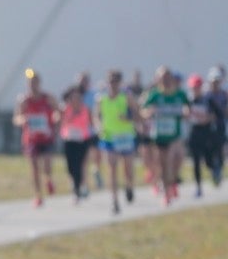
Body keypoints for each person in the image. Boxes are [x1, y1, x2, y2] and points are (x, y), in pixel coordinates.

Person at [13, 69, 60, 207]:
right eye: (30, 82)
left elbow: (58, 112)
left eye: (34, 82)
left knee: (46, 165)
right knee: (34, 168)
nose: (32, 84)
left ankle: (48, 179)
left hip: (46, 137)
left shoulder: (48, 98)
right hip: (31, 139)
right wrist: (23, 120)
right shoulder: (24, 100)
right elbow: (16, 118)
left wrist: (56, 121)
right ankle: (38, 195)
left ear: (39, 82)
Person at [96, 69, 140, 215]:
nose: (113, 84)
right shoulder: (101, 99)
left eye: (115, 81)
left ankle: (129, 186)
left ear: (120, 83)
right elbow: (96, 115)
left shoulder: (126, 97)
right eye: (110, 81)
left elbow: (137, 114)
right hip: (109, 137)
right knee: (112, 168)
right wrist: (98, 127)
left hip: (126, 137)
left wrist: (128, 118)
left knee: (128, 169)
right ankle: (114, 201)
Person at [142, 67, 188, 205]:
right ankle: (167, 192)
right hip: (160, 135)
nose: (166, 80)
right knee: (164, 164)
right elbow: (143, 111)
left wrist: (185, 112)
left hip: (175, 135)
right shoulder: (154, 95)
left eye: (168, 77)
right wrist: (149, 112)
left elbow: (188, 107)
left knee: (177, 159)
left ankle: (173, 181)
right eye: (163, 77)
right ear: (158, 79)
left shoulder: (180, 94)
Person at [185, 73, 225, 196]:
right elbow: (184, 114)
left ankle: (215, 169)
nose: (195, 90)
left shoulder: (208, 100)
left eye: (197, 87)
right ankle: (198, 187)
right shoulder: (188, 101)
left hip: (207, 133)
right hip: (194, 133)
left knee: (208, 160)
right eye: (193, 88)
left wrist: (208, 118)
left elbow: (218, 115)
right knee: (196, 161)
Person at [57, 83, 94, 201]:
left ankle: (78, 188)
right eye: (73, 97)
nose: (76, 100)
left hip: (82, 140)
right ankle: (76, 184)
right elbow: (58, 120)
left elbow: (91, 123)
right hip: (69, 140)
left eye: (78, 97)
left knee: (80, 164)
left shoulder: (85, 109)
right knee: (70, 166)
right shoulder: (65, 109)